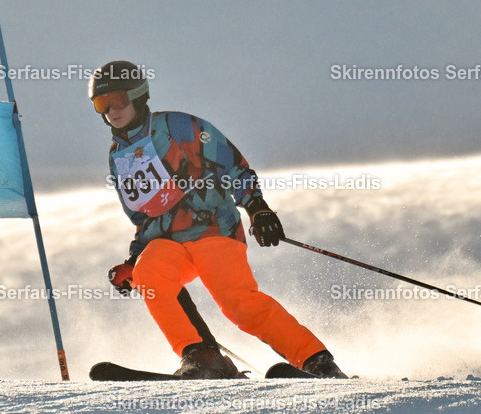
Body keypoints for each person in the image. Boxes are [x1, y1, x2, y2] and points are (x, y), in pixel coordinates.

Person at [89, 60, 347, 379]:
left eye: (118, 100)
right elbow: (144, 214)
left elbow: (233, 165)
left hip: (212, 230)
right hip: (168, 241)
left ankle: (316, 360)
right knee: (149, 274)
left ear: (139, 96)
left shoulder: (178, 127)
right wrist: (133, 257)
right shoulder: (118, 155)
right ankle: (203, 358)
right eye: (102, 104)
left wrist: (257, 208)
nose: (111, 111)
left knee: (236, 302)